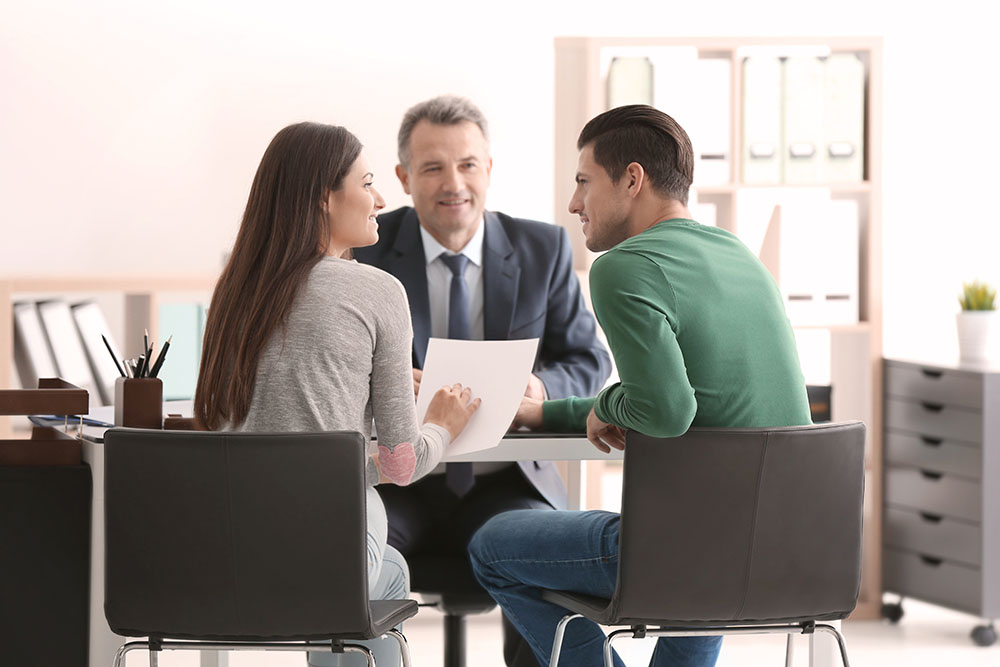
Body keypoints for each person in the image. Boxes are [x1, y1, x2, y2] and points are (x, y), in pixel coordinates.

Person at [467, 105, 813, 667]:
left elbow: (667, 410)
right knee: (700, 526)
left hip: (690, 553)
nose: (574, 204)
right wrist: (545, 413)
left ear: (632, 179)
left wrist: (608, 401)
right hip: (792, 550)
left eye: (583, 182)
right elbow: (684, 401)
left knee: (492, 544)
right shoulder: (738, 255)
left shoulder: (625, 266)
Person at [193, 121, 481, 667]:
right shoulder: (377, 289)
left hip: (227, 549)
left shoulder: (234, 290)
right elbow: (401, 464)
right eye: (368, 182)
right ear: (323, 198)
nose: (379, 199)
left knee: (385, 571)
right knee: (384, 574)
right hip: (326, 553)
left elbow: (247, 435)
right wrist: (442, 423)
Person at [353, 95, 611, 666]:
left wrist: (540, 390)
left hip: (506, 479)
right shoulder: (365, 253)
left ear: (489, 169)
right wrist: (389, 384)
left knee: (543, 553)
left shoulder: (541, 248)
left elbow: (589, 359)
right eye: (432, 167)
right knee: (347, 553)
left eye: (468, 164)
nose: (454, 183)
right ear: (402, 178)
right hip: (402, 478)